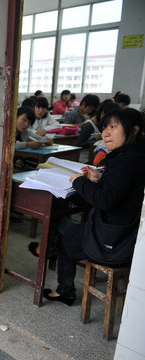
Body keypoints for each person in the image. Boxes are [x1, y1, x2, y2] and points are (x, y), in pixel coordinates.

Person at [43, 108, 145, 305]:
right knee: (65, 226)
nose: (106, 133)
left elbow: (104, 200)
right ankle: (50, 250)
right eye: (105, 127)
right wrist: (99, 179)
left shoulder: (126, 161)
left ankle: (65, 290)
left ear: (133, 130)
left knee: (62, 231)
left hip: (114, 242)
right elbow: (120, 190)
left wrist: (79, 182)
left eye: (113, 127)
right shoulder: (135, 156)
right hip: (128, 233)